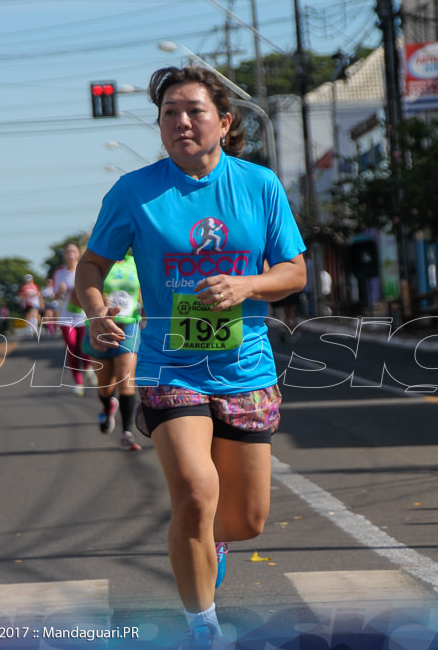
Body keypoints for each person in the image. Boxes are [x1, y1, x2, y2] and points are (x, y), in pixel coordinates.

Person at [76, 66, 306, 647]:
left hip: (246, 366)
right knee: (196, 492)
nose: (181, 121)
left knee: (245, 518)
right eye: (169, 113)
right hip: (168, 364)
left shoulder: (259, 185)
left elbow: (294, 272)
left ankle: (212, 542)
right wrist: (98, 312)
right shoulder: (135, 192)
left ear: (224, 122)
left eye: (194, 110)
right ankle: (202, 626)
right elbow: (91, 267)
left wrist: (247, 286)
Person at [81, 254, 143, 452]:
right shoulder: (95, 262)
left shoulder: (136, 261)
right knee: (105, 387)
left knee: (126, 383)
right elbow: (79, 293)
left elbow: (145, 290)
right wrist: (97, 301)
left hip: (129, 326)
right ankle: (108, 405)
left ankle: (127, 433)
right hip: (101, 327)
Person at [53, 242, 91, 396]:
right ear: (64, 255)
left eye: (73, 251)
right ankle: (78, 382)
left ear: (78, 254)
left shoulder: (84, 270)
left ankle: (88, 368)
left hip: (83, 316)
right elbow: (54, 296)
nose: (70, 254)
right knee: (71, 346)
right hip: (66, 317)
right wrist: (60, 291)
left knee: (83, 347)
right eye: (68, 251)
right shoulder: (60, 273)